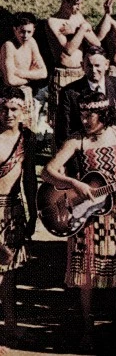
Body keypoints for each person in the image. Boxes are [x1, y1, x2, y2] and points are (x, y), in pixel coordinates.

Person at [42, 91, 116, 345]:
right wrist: (74, 183)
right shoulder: (77, 140)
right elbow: (47, 172)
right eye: (82, 115)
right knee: (87, 275)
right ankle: (88, 329)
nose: (85, 120)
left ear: (104, 114)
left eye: (91, 116)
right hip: (89, 214)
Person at [0, 87, 36, 346]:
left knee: (10, 271)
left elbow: (30, 180)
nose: (8, 114)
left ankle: (11, 326)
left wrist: (32, 214)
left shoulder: (27, 139)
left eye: (14, 109)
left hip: (13, 211)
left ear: (23, 110)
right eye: (4, 108)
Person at [45, 0, 101, 130]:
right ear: (65, 1)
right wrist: (82, 29)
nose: (78, 8)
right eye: (76, 4)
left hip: (80, 73)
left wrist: (75, 30)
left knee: (83, 114)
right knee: (63, 117)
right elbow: (69, 49)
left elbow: (97, 43)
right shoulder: (53, 21)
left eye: (80, 4)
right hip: (63, 74)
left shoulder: (78, 17)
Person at [56, 45, 116, 148]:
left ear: (106, 65)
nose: (93, 70)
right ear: (82, 65)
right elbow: (64, 132)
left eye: (97, 65)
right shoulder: (69, 93)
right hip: (85, 149)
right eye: (89, 65)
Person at [1, 12, 47, 118]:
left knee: (27, 129)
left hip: (27, 94)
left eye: (29, 32)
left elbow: (44, 73)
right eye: (22, 31)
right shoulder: (9, 46)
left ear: (34, 30)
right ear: (15, 29)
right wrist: (32, 76)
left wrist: (20, 73)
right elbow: (10, 80)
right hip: (9, 96)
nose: (25, 35)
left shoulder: (32, 43)